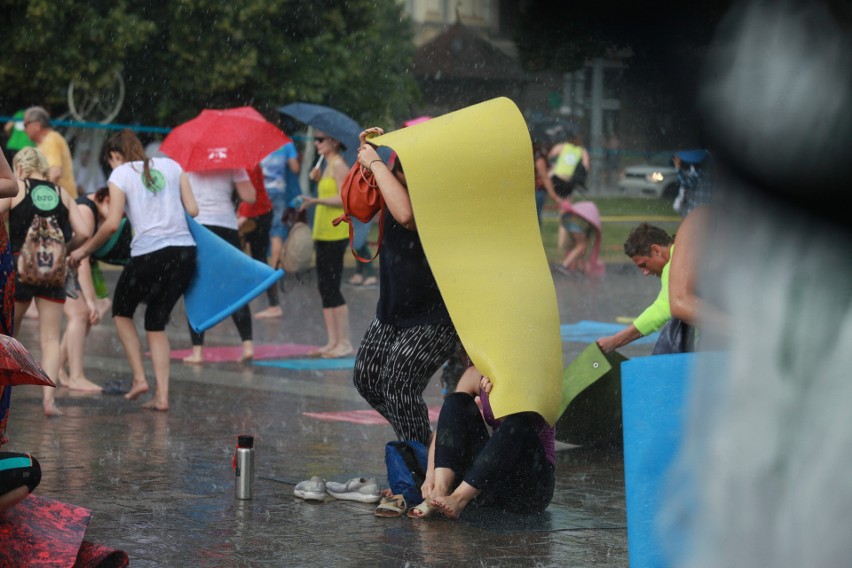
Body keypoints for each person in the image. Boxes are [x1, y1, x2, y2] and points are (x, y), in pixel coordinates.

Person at [68, 129, 198, 411]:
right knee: (155, 321)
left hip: (149, 253)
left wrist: (84, 250)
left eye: (111, 161)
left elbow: (112, 223)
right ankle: (162, 396)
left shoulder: (121, 173)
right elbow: (194, 209)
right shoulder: (173, 166)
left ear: (115, 155)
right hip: (184, 253)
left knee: (121, 311)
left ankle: (140, 378)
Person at [351, 127, 461, 446]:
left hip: (435, 314)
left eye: (399, 169)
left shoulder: (436, 193)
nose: (397, 175)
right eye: (397, 168)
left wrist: (377, 164)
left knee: (400, 385)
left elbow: (407, 214)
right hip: (394, 308)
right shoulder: (390, 181)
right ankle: (426, 455)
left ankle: (420, 471)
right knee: (367, 379)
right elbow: (361, 200)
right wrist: (367, 155)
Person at [2, 147, 90, 416]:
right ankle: (49, 401)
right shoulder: (61, 192)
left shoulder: (18, 188)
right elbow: (84, 231)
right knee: (51, 338)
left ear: (20, 168)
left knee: (7, 339)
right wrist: (65, 248)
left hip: (20, 270)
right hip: (53, 273)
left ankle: (4, 395)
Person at [410, 365, 555, 519]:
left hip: (529, 488)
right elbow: (448, 426)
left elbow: (513, 434)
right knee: (455, 401)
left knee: (517, 422)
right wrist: (430, 475)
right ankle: (440, 490)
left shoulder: (535, 377)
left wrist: (499, 395)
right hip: (489, 480)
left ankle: (458, 498)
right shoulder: (473, 374)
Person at [59, 186, 132, 393]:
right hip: (61, 264)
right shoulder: (86, 210)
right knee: (81, 314)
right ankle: (76, 377)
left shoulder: (95, 209)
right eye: (118, 208)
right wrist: (91, 300)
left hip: (66, 263)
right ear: (106, 199)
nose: (120, 215)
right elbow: (83, 259)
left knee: (83, 317)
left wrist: (95, 299)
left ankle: (56, 369)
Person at [181, 168, 256, 365]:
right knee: (234, 287)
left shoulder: (187, 163)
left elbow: (182, 199)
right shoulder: (233, 162)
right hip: (227, 227)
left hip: (199, 227)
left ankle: (197, 351)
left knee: (195, 287)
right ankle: (247, 345)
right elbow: (250, 196)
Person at [299, 130, 354, 358]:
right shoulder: (326, 166)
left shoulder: (339, 165)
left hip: (335, 232)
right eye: (316, 140)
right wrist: (317, 180)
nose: (317, 144)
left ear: (334, 141)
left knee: (332, 286)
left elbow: (344, 198)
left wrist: (316, 200)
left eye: (320, 140)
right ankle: (332, 341)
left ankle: (345, 342)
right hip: (322, 232)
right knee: (324, 287)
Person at [596, 223, 674, 353]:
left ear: (657, 251)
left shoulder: (673, 266)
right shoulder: (685, 247)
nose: (645, 273)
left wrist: (614, 341)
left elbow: (661, 310)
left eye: (643, 265)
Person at [255, 137, 301, 319]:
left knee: (256, 235)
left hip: (260, 193)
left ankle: (258, 272)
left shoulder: (257, 141)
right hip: (278, 191)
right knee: (276, 234)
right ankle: (274, 271)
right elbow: (295, 169)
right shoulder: (286, 143)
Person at [238, 165, 281, 319]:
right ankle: (272, 302)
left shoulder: (247, 165)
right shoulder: (250, 162)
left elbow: (252, 193)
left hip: (257, 215)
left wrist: (243, 216)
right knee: (258, 258)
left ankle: (274, 304)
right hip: (260, 213)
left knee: (260, 259)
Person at [547, 129, 590, 260]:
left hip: (556, 179)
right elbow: (586, 166)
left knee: (560, 209)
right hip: (569, 183)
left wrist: (554, 166)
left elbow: (549, 156)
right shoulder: (582, 151)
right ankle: (562, 242)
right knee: (565, 213)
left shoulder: (561, 147)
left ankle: (561, 243)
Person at [22, 106, 78, 198]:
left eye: (25, 125)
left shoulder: (51, 140)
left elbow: (55, 173)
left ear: (37, 125)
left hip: (62, 204)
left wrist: (36, 197)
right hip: (62, 201)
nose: (24, 130)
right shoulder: (46, 141)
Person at [672, 149, 714, 218]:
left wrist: (678, 168)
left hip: (697, 213)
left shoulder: (701, 173)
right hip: (699, 212)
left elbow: (685, 184)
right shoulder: (704, 171)